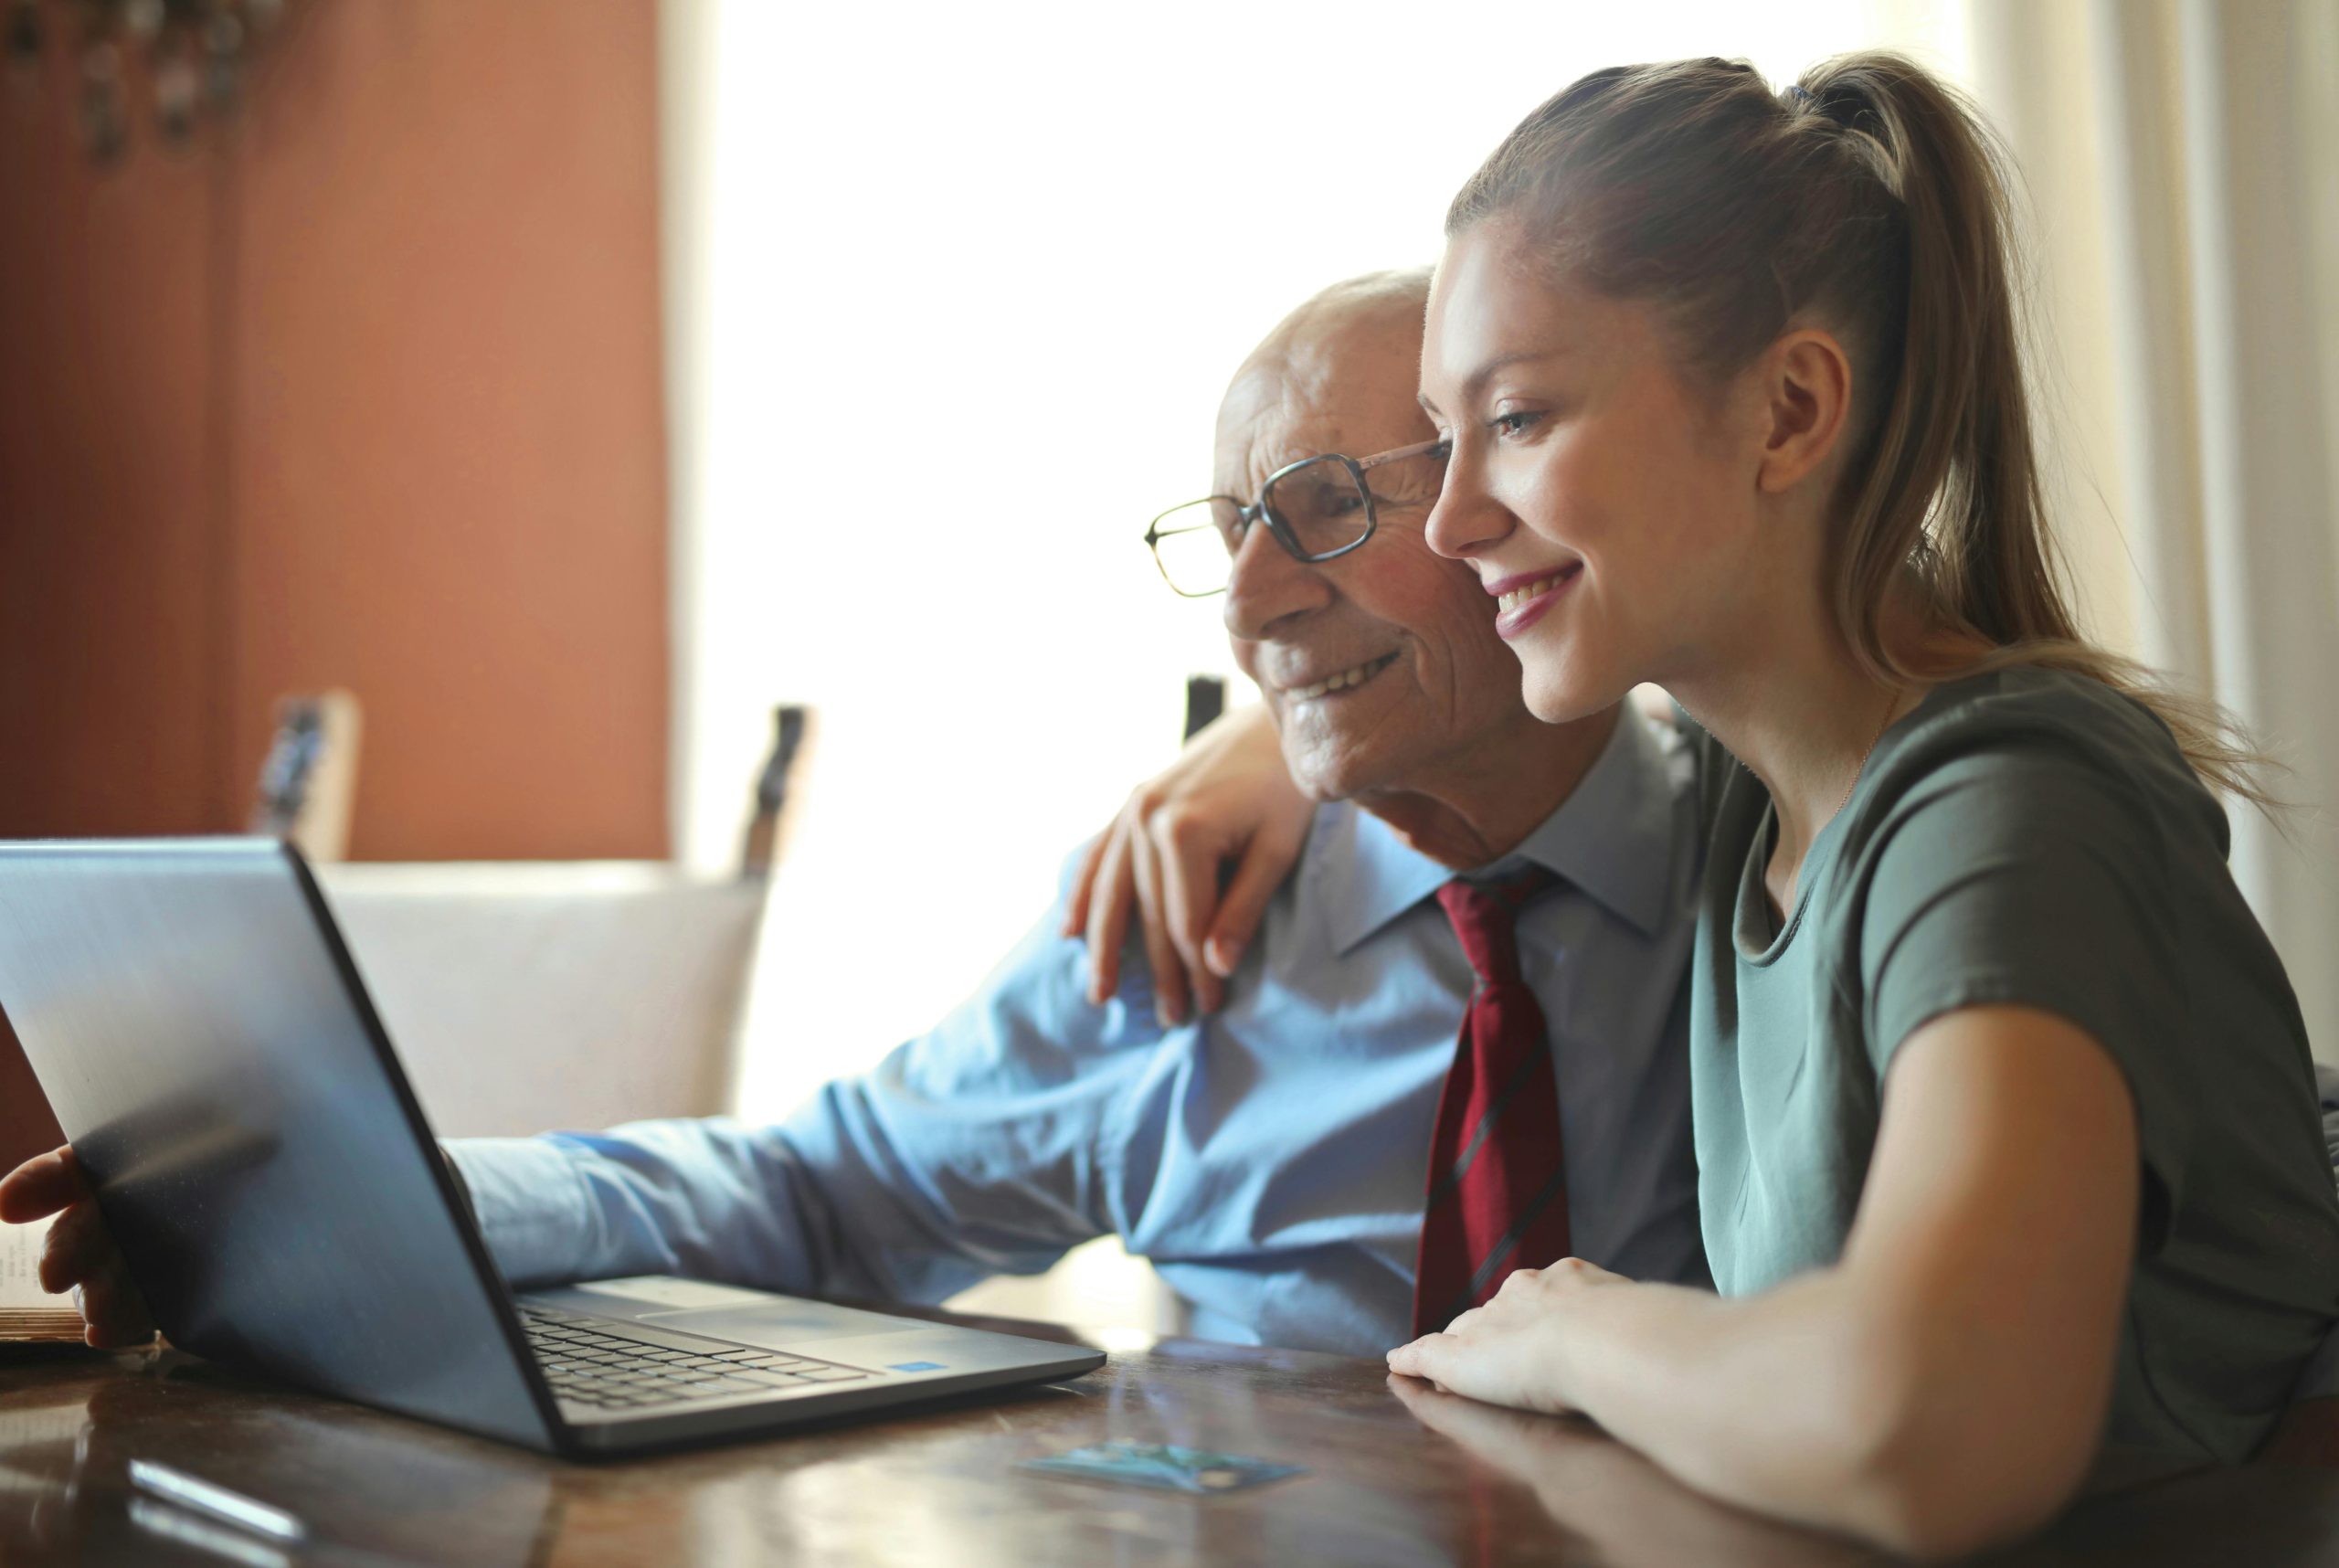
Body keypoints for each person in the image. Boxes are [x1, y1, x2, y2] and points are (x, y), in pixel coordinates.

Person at [1073, 52, 2339, 1558]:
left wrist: (1571, 1331)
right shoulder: (1768, 804)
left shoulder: (2014, 812)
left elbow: (1929, 1428)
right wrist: (1282, 747)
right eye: (1444, 435)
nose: (1461, 516)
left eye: (1521, 420)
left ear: (1791, 411)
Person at [0, 268, 1709, 1362]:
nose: (1248, 605)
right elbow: (823, 1193)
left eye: (1326, 507)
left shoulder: (1787, 852)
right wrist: (387, 1199)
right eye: (1230, 527)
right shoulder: (1183, 920)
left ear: (1520, 498)